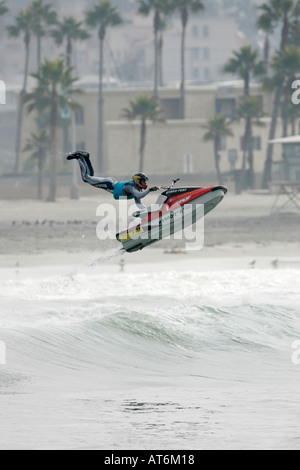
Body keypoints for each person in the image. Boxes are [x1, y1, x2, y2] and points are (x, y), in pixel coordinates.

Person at [67, 151, 159, 211]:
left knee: (90, 177)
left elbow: (139, 203)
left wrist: (148, 211)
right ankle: (79, 157)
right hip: (109, 184)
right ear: (138, 180)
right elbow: (140, 195)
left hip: (110, 182)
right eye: (143, 181)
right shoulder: (131, 187)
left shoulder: (135, 189)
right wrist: (150, 190)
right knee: (86, 178)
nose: (145, 184)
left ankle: (86, 158)